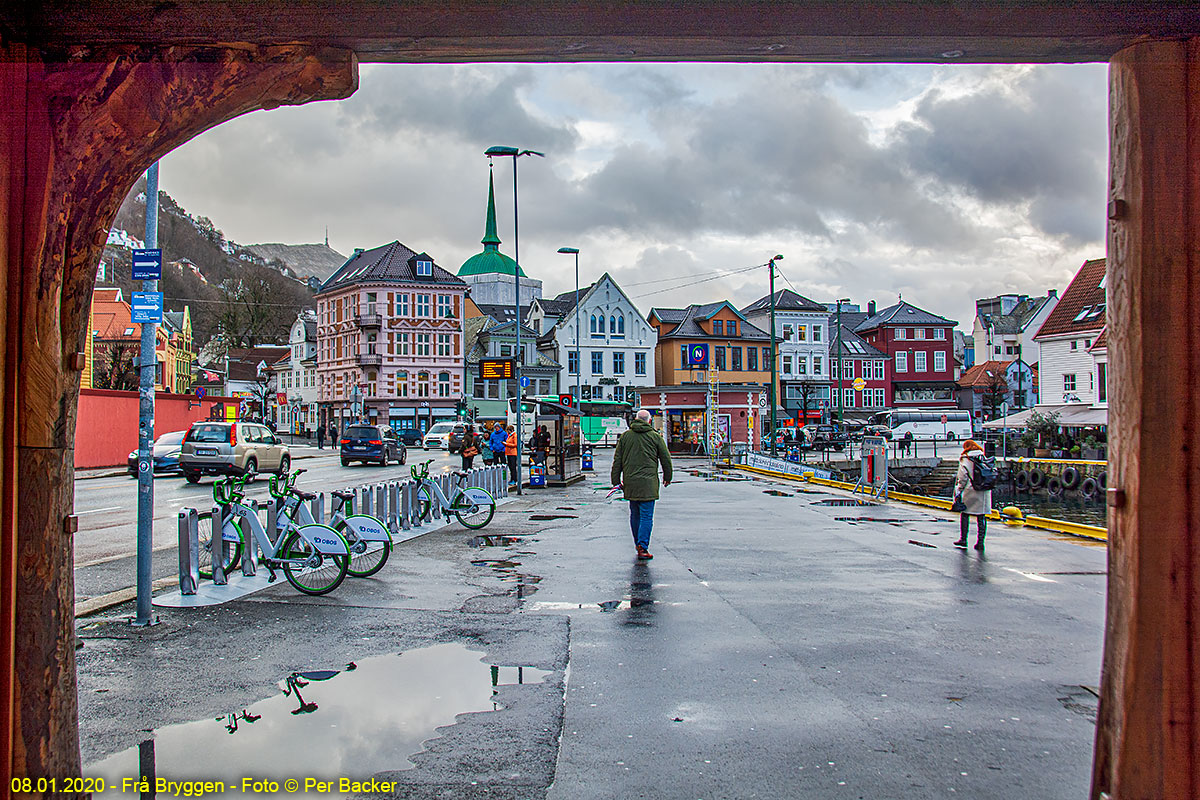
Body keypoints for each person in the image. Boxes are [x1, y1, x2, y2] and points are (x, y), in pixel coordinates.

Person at [611, 409, 673, 560]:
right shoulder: (655, 437)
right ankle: (643, 546)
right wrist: (667, 476)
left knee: (634, 514)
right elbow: (666, 458)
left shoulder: (625, 437)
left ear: (636, 419)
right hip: (648, 483)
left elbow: (617, 460)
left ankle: (637, 543)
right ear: (649, 421)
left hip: (630, 482)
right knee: (646, 516)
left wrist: (615, 481)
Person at [953, 439, 992, 551]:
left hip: (970, 490)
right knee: (981, 516)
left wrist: (958, 491)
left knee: (965, 514)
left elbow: (962, 478)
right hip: (984, 490)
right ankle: (980, 542)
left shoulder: (966, 459)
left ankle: (963, 539)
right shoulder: (984, 458)